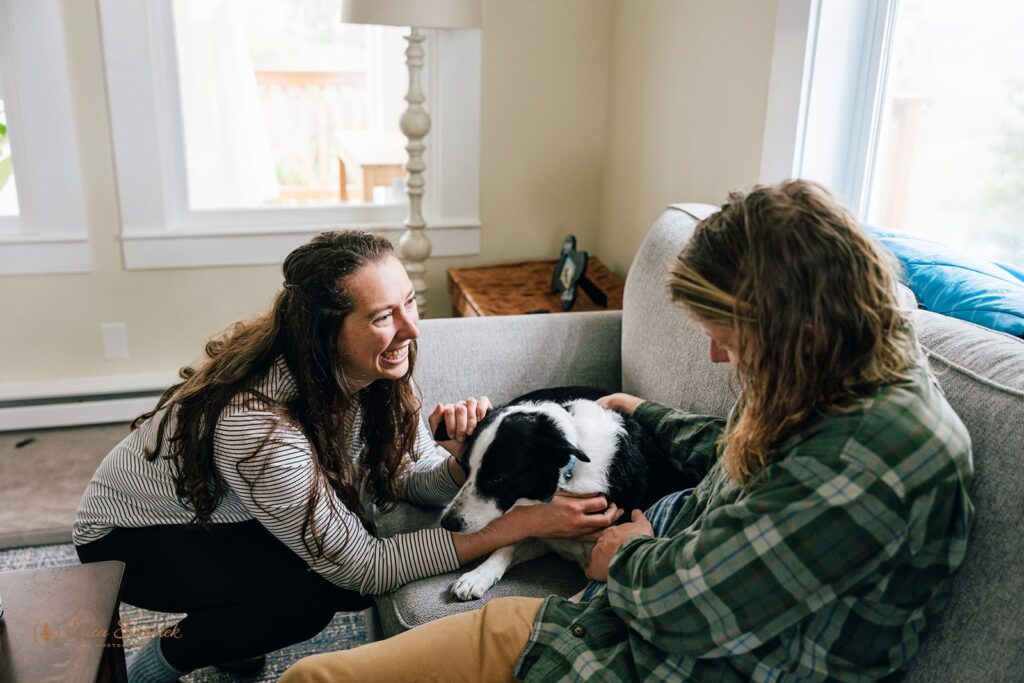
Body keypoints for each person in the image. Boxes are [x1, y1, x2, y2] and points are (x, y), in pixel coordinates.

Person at [279, 180, 975, 682]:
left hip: (649, 653)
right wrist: (644, 412)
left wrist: (626, 553)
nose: (716, 357)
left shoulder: (873, 460)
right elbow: (741, 455)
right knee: (308, 678)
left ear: (799, 327)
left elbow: (691, 609)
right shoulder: (834, 377)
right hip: (600, 624)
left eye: (728, 335)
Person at [73, 230, 622, 683]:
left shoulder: (379, 371)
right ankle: (165, 659)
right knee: (318, 589)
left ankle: (235, 640)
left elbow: (406, 477)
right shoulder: (257, 425)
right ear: (324, 334)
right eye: (383, 316)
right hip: (133, 539)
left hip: (233, 513)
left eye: (408, 301)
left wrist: (464, 462)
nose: (411, 328)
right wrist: (517, 525)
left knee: (328, 554)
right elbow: (365, 569)